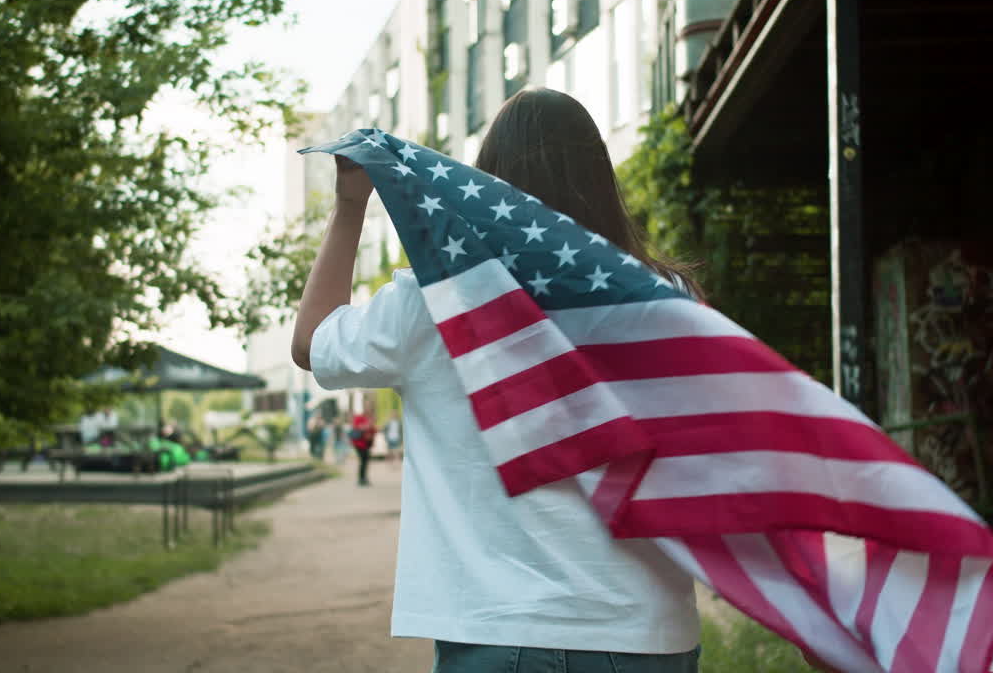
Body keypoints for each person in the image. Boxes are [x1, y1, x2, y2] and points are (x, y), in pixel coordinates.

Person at [291, 88, 702, 672]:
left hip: (496, 630)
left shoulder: (434, 301)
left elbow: (311, 343)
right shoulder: (664, 300)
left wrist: (351, 205)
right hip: (644, 629)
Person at [349, 412, 375, 485]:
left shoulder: (370, 418)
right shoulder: (359, 418)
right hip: (359, 444)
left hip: (366, 444)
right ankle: (361, 479)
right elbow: (356, 428)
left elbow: (373, 430)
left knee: (365, 461)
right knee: (363, 461)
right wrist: (366, 426)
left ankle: (363, 478)